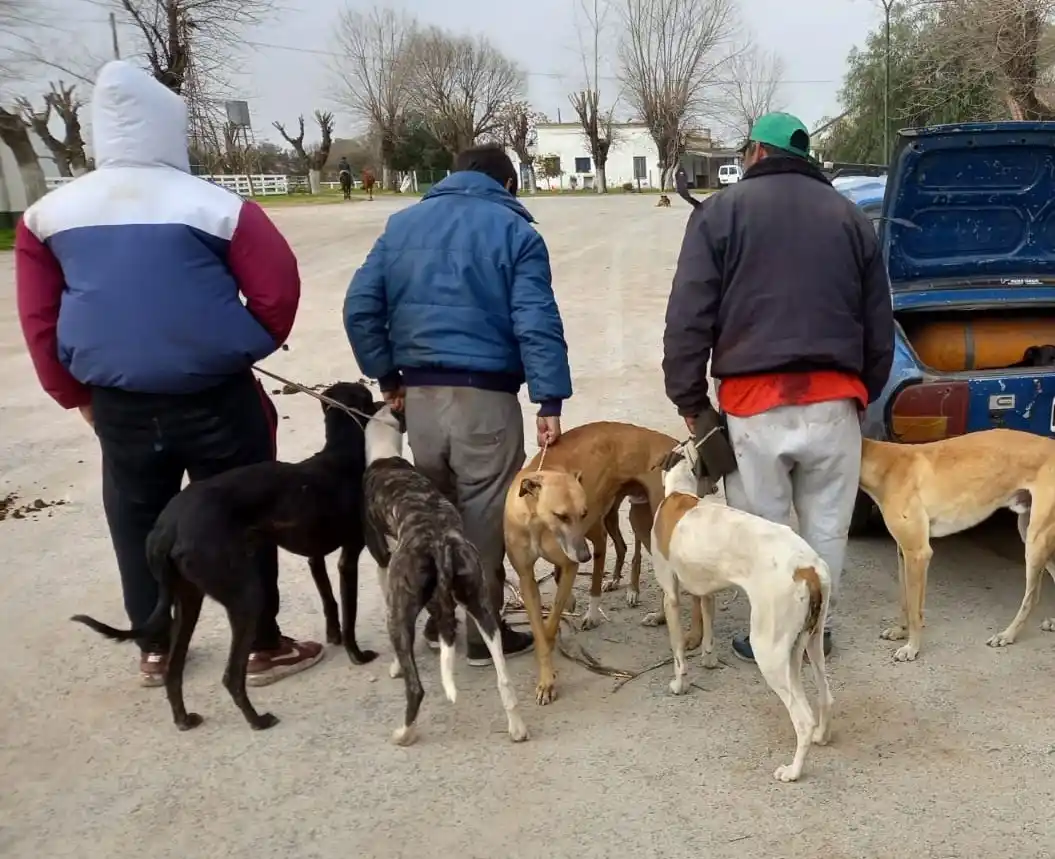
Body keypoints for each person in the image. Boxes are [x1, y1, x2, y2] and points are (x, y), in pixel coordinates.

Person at [14, 60, 323, 687]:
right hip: (216, 396)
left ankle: (155, 645)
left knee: (137, 521)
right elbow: (277, 291)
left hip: (121, 404)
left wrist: (73, 393)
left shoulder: (48, 215)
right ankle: (261, 643)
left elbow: (38, 318)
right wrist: (239, 346)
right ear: (168, 128)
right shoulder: (219, 206)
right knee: (243, 514)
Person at [661, 111, 895, 661]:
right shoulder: (849, 216)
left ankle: (767, 634)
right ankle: (814, 631)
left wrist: (691, 400)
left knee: (763, 529)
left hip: (752, 402)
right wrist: (865, 391)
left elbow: (689, 314)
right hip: (835, 398)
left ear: (756, 154)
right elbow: (879, 319)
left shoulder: (720, 213)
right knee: (828, 526)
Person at [344, 143, 572, 667]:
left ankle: (436, 619)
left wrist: (387, 376)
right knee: (485, 516)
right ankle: (479, 630)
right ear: (508, 184)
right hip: (485, 398)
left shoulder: (401, 225)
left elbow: (359, 307)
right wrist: (549, 398)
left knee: (434, 513)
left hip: (421, 399)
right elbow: (535, 321)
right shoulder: (517, 233)